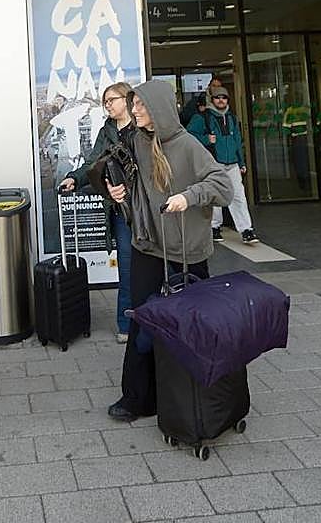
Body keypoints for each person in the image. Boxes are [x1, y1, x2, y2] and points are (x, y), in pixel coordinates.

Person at [107, 79, 231, 423]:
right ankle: (137, 398)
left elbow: (223, 188)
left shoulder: (187, 145)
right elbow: (125, 180)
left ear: (159, 108)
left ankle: (190, 396)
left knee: (190, 330)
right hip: (148, 246)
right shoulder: (137, 142)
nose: (135, 111)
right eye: (133, 105)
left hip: (186, 254)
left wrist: (188, 197)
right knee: (143, 322)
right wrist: (116, 191)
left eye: (141, 105)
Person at [58, 82, 135, 344]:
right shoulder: (107, 131)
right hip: (122, 211)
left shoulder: (142, 127)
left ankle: (155, 318)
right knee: (126, 264)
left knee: (153, 264)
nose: (108, 105)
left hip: (147, 208)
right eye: (105, 102)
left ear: (127, 99)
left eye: (112, 100)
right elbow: (93, 164)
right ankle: (126, 324)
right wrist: (74, 179)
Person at [188, 87, 261, 245]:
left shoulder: (232, 118)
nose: (221, 100)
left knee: (238, 196)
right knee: (215, 195)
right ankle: (214, 227)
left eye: (224, 97)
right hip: (214, 162)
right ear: (212, 99)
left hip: (232, 163)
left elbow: (237, 142)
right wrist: (207, 139)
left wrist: (241, 162)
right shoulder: (203, 117)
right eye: (217, 97)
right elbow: (189, 136)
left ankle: (246, 230)